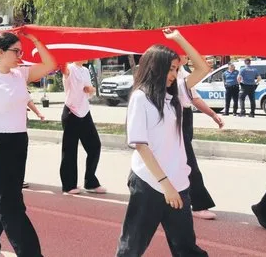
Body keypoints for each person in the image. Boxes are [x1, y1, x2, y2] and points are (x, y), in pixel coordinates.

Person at [116, 29, 210, 257]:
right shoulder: (141, 97)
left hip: (178, 183)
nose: (174, 74)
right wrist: (165, 185)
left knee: (186, 247)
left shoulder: (175, 93)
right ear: (154, 67)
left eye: (176, 69)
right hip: (150, 184)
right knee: (132, 248)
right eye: (170, 69)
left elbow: (203, 68)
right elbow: (141, 146)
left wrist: (178, 39)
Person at [0, 31, 55, 257]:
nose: (20, 55)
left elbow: (50, 63)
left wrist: (37, 40)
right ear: (0, 52)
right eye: (16, 51)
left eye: (21, 50)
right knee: (11, 204)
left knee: (4, 194)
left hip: (19, 141)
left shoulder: (20, 74)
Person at [177, 55, 224, 220]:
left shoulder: (182, 71)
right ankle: (198, 203)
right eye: (183, 53)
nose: (186, 56)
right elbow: (203, 67)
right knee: (189, 163)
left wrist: (212, 114)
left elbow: (194, 97)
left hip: (185, 116)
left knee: (181, 161)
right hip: (175, 118)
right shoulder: (168, 73)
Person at [59, 61, 106, 195]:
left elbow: (90, 91)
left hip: (85, 112)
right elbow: (64, 71)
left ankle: (90, 182)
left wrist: (91, 90)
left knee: (95, 146)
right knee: (70, 151)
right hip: (71, 112)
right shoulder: (69, 68)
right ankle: (68, 185)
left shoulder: (85, 70)